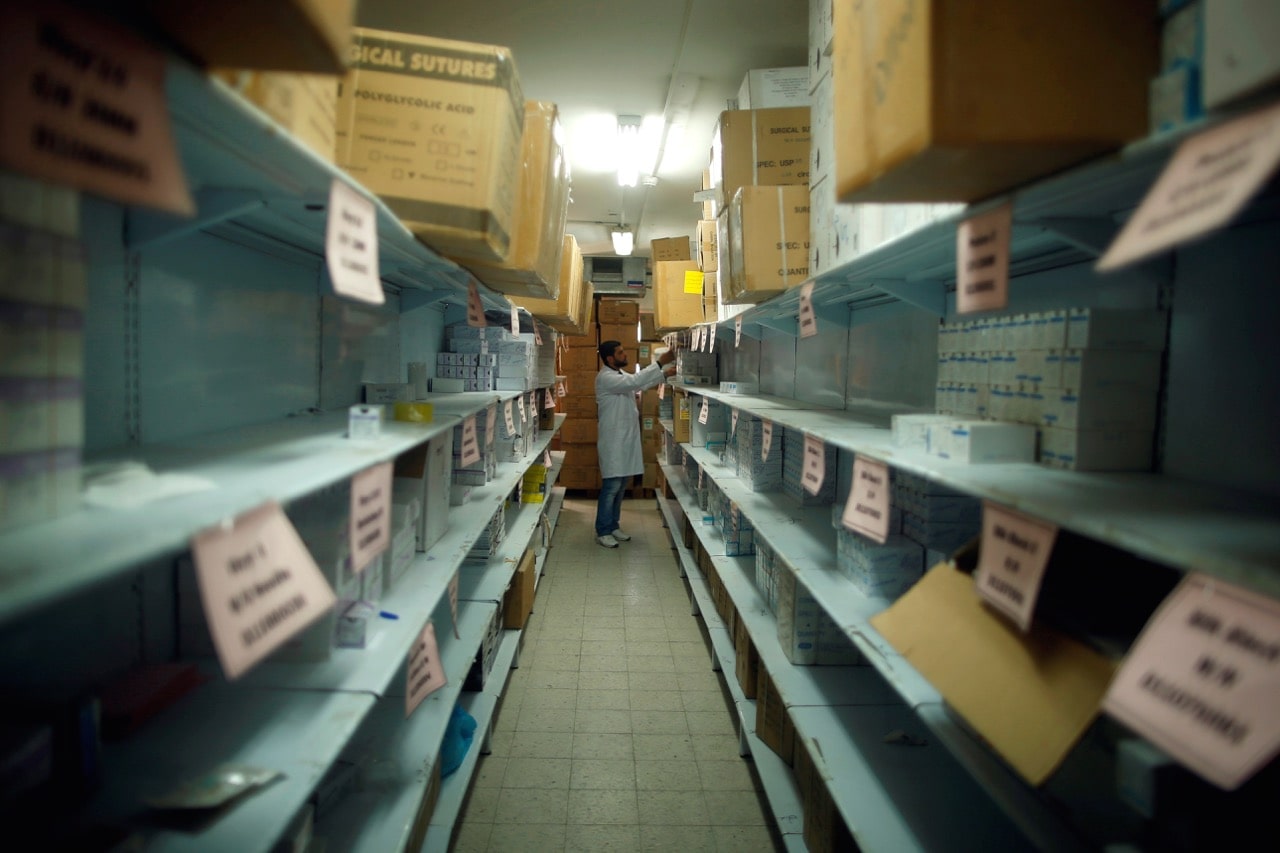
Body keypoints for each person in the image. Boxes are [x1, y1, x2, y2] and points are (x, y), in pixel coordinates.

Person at [594, 339, 677, 548]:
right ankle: (602, 530)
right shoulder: (605, 378)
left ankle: (613, 525)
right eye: (621, 352)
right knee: (612, 485)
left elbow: (639, 382)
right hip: (613, 441)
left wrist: (665, 374)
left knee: (621, 485)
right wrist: (660, 364)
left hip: (624, 440)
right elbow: (635, 382)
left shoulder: (620, 375)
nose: (625, 355)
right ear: (610, 358)